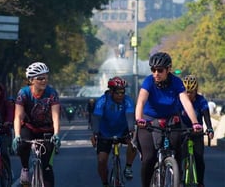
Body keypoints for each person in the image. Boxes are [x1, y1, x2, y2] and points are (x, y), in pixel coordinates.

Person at [135, 52, 202, 187]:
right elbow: (141, 101)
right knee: (149, 158)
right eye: (153, 70)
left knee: (178, 151)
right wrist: (139, 119)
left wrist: (195, 123)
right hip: (148, 121)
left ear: (168, 69)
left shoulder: (176, 82)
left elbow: (186, 102)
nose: (156, 73)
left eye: (160, 70)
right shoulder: (149, 81)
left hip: (171, 120)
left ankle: (177, 178)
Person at [12, 62, 61, 187]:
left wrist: (56, 134)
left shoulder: (52, 93)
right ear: (31, 80)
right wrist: (16, 135)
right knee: (22, 144)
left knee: (47, 167)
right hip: (29, 128)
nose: (44, 81)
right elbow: (18, 116)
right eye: (40, 78)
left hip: (47, 130)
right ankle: (25, 169)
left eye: (46, 77)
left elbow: (55, 116)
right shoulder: (23, 93)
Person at [90, 76, 137, 187]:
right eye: (117, 93)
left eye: (122, 92)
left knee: (135, 142)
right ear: (111, 91)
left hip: (123, 131)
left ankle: (128, 167)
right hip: (105, 133)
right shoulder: (102, 100)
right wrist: (95, 134)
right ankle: (105, 183)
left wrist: (132, 131)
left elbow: (130, 116)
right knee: (102, 161)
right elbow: (96, 118)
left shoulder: (128, 100)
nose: (120, 95)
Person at [181, 75, 214, 187]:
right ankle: (179, 178)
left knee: (199, 158)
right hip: (182, 130)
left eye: (191, 92)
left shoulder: (201, 100)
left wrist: (209, 129)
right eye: (186, 92)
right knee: (180, 155)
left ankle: (200, 182)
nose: (189, 95)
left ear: (196, 91)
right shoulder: (179, 100)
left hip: (197, 131)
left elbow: (206, 116)